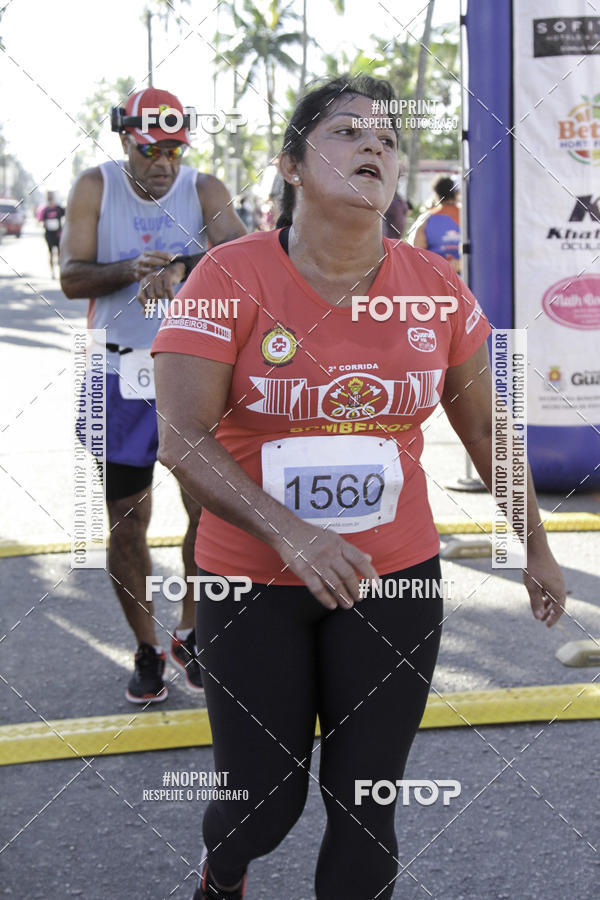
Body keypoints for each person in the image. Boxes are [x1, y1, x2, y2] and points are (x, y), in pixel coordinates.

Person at [151, 75, 566, 900]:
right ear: (293, 167)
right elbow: (182, 436)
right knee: (262, 802)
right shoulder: (228, 277)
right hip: (251, 579)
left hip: (394, 576)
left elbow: (485, 431)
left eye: (385, 136)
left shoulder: (439, 288)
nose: (374, 145)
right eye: (346, 132)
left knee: (367, 804)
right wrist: (292, 534)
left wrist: (538, 546)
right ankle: (221, 873)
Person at [60, 87, 246, 705]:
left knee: (207, 514)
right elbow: (70, 277)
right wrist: (133, 269)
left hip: (192, 372)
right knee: (128, 521)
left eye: (172, 148)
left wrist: (184, 267)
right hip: (115, 374)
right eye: (149, 149)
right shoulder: (96, 186)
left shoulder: (205, 189)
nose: (162, 162)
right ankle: (146, 647)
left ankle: (192, 632)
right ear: (124, 141)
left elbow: (244, 262)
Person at [413, 175, 461, 272]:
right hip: (466, 278)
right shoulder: (467, 216)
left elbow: (416, 257)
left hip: (436, 276)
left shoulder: (425, 220)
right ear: (456, 194)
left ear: (435, 194)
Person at [38, 191, 65, 278]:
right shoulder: (44, 209)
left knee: (60, 254)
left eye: (51, 197)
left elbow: (67, 214)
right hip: (49, 234)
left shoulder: (58, 208)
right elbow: (39, 220)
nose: (50, 199)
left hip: (58, 234)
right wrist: (43, 224)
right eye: (49, 197)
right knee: (51, 253)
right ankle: (52, 272)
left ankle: (61, 271)